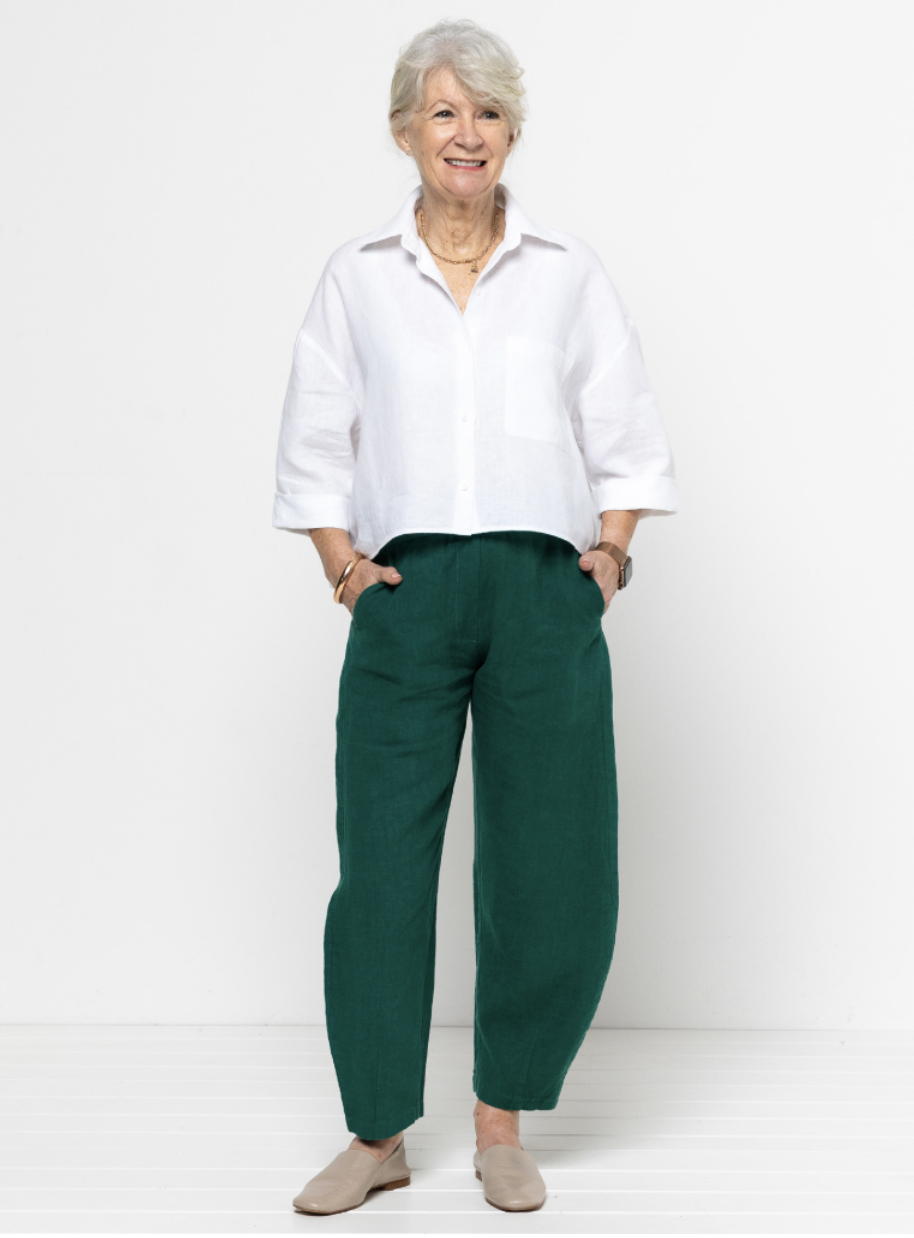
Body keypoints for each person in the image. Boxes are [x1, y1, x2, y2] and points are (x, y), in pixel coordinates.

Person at [272, 17, 679, 1215]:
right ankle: (377, 1130)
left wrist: (607, 557)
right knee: (380, 868)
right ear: (404, 130)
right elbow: (313, 435)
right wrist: (343, 567)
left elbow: (623, 426)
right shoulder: (356, 276)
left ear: (511, 131)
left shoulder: (565, 272)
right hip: (403, 596)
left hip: (542, 593)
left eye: (486, 111)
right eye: (443, 112)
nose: (466, 133)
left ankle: (503, 1117)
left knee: (550, 859)